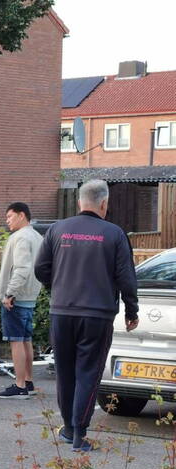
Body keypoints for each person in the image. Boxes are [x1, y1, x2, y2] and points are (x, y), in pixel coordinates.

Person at [34, 179, 139, 452]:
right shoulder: (114, 234)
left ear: (80, 202)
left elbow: (40, 269)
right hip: (97, 315)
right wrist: (131, 310)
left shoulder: (58, 230)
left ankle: (69, 429)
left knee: (65, 373)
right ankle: (80, 434)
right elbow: (126, 277)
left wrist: (57, 287)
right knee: (88, 373)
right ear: (104, 203)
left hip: (62, 312)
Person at [0, 202, 44, 399]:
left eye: (9, 216)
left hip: (16, 297)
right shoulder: (37, 236)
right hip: (30, 295)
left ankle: (20, 385)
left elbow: (22, 268)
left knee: (16, 341)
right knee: (26, 340)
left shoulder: (20, 237)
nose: (7, 221)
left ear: (21, 215)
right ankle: (28, 382)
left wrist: (9, 293)